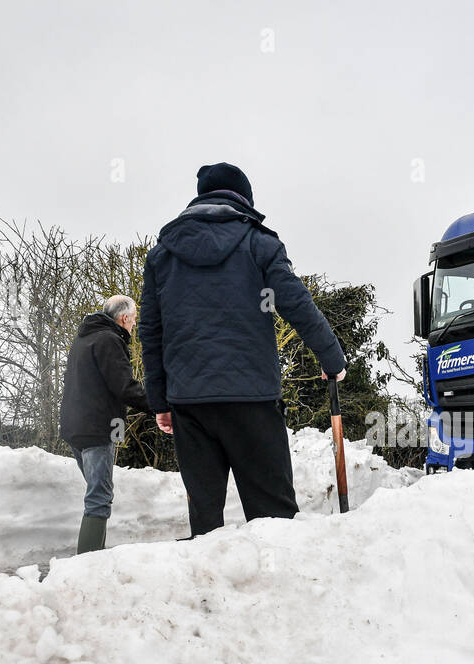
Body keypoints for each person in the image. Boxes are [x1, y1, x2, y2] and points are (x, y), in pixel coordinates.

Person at [139, 162, 346, 538]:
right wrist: (331, 359)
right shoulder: (259, 243)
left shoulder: (161, 257)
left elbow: (150, 332)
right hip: (252, 400)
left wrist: (160, 402)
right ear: (243, 200)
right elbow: (297, 304)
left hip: (190, 402)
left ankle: (209, 595)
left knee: (205, 523)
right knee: (275, 520)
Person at [59, 295, 152, 552]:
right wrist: (160, 405)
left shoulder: (84, 338)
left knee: (97, 493)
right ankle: (88, 563)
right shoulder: (110, 340)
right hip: (97, 428)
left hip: (75, 427)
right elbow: (124, 387)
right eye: (133, 319)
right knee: (99, 497)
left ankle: (92, 559)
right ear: (124, 318)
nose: (134, 325)